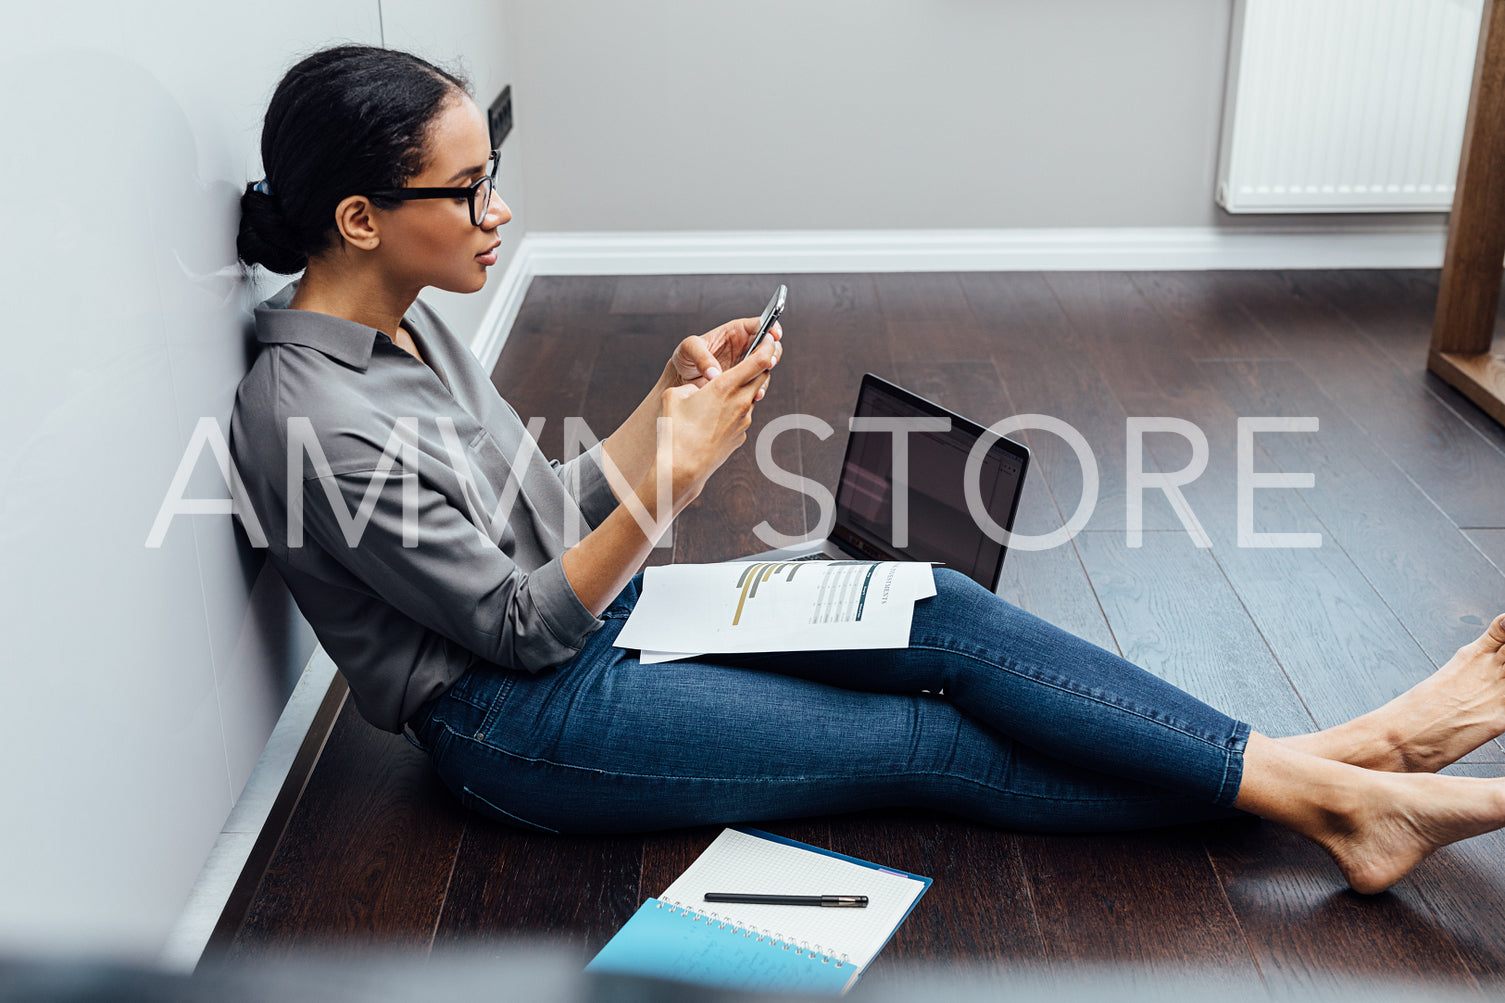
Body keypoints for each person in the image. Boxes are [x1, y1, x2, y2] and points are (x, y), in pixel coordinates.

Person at [230, 44, 1505, 897]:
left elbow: (539, 515)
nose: (497, 207)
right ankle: (1349, 778)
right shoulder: (312, 419)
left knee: (928, 607)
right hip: (523, 722)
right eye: (470, 186)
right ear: (362, 218)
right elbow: (518, 631)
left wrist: (658, 408)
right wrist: (668, 484)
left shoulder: (403, 314)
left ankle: (1337, 773)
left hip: (598, 625)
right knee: (923, 742)